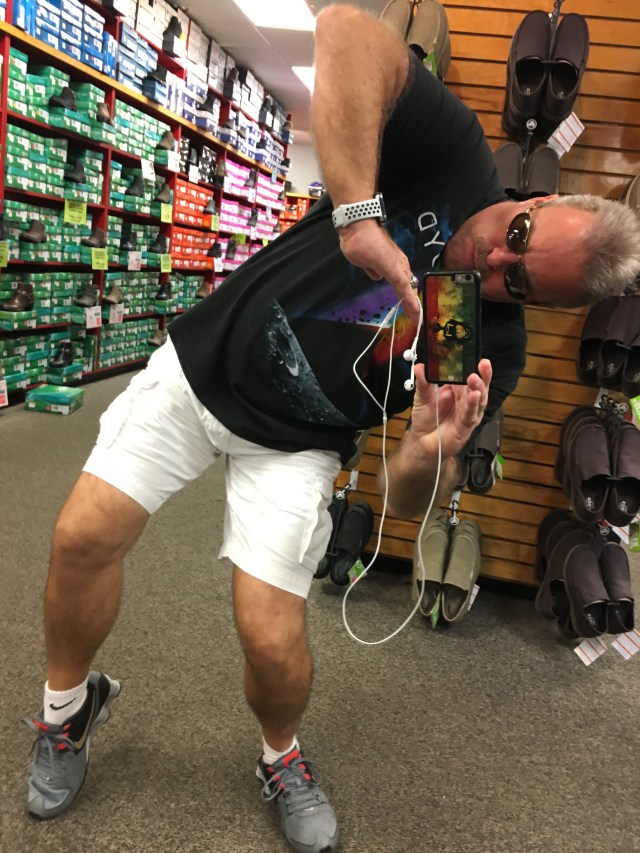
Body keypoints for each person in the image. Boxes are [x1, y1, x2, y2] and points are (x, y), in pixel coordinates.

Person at [22, 5, 640, 853]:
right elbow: (346, 30)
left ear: (541, 309)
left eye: (523, 282)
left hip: (300, 443)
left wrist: (425, 446)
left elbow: (407, 499)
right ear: (531, 198)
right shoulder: (456, 158)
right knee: (82, 535)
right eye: (519, 234)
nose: (495, 261)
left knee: (271, 636)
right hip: (204, 364)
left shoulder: (488, 345)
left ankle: (280, 755)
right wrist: (358, 216)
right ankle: (66, 711)